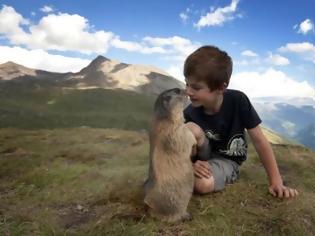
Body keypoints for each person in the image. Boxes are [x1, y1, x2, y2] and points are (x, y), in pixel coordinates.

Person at [183, 45, 298, 198]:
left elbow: (259, 141)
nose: (188, 91)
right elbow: (178, 146)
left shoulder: (238, 101)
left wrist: (276, 181)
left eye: (196, 87)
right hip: (200, 158)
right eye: (186, 84)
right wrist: (190, 165)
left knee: (201, 184)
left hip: (227, 160)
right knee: (189, 129)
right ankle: (185, 171)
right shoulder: (190, 112)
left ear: (220, 87)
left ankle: (215, 175)